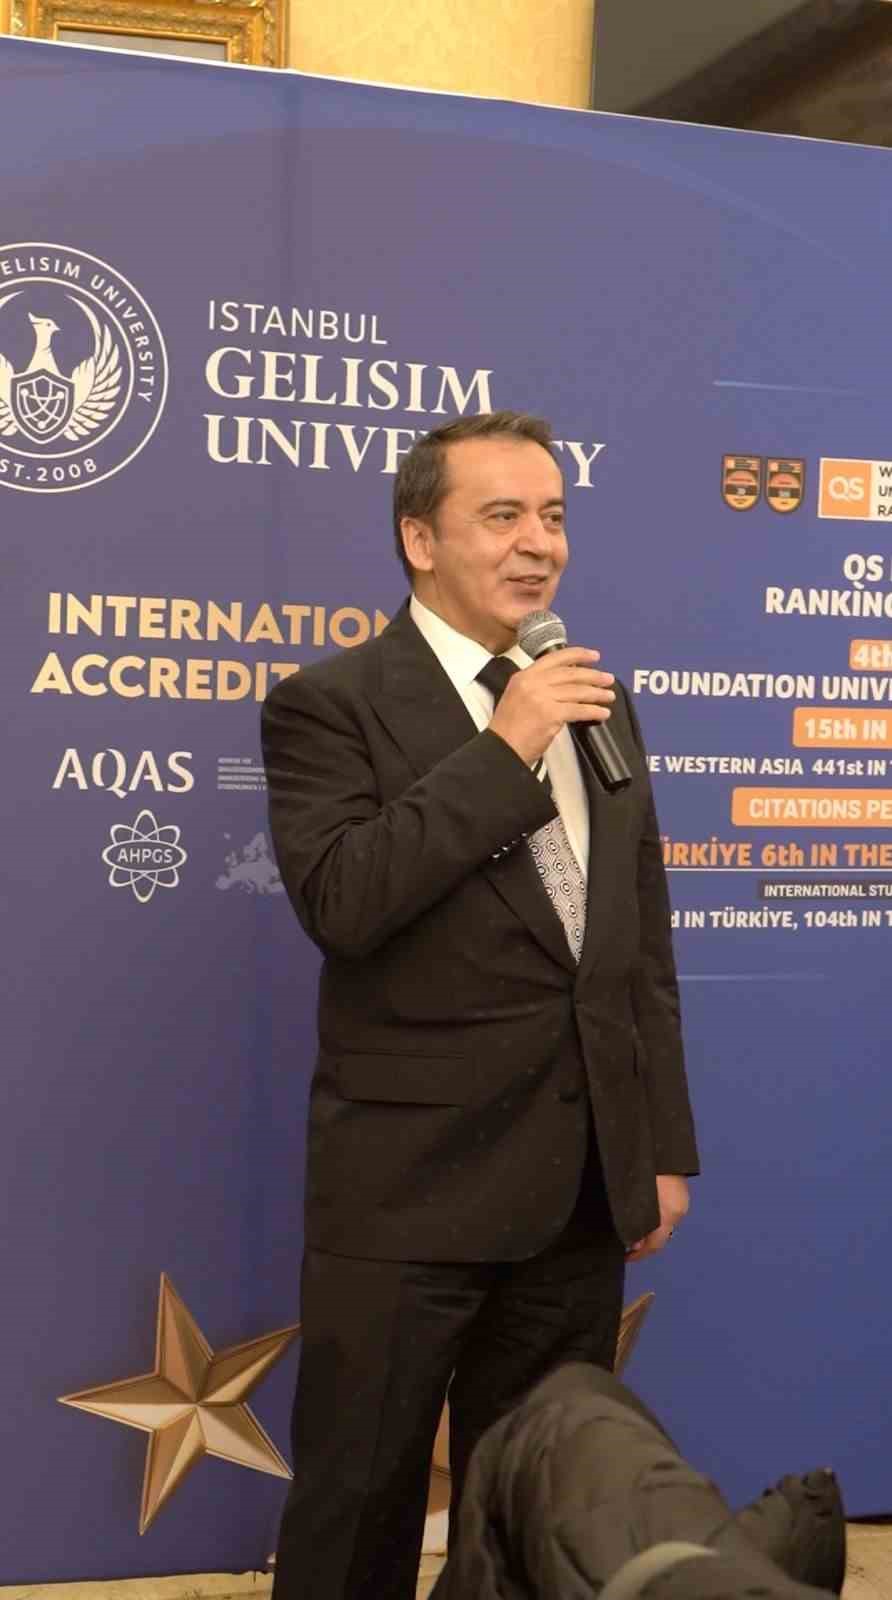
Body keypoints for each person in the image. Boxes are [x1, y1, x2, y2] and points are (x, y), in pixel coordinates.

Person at [261, 411, 699, 1600]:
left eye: (551, 515)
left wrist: (656, 1142)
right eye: (501, 515)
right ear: (420, 538)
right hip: (408, 1196)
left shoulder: (598, 700)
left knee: (535, 1522)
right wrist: (505, 747)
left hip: (576, 1195)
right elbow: (346, 900)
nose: (537, 543)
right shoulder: (329, 704)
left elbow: (634, 947)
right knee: (357, 1512)